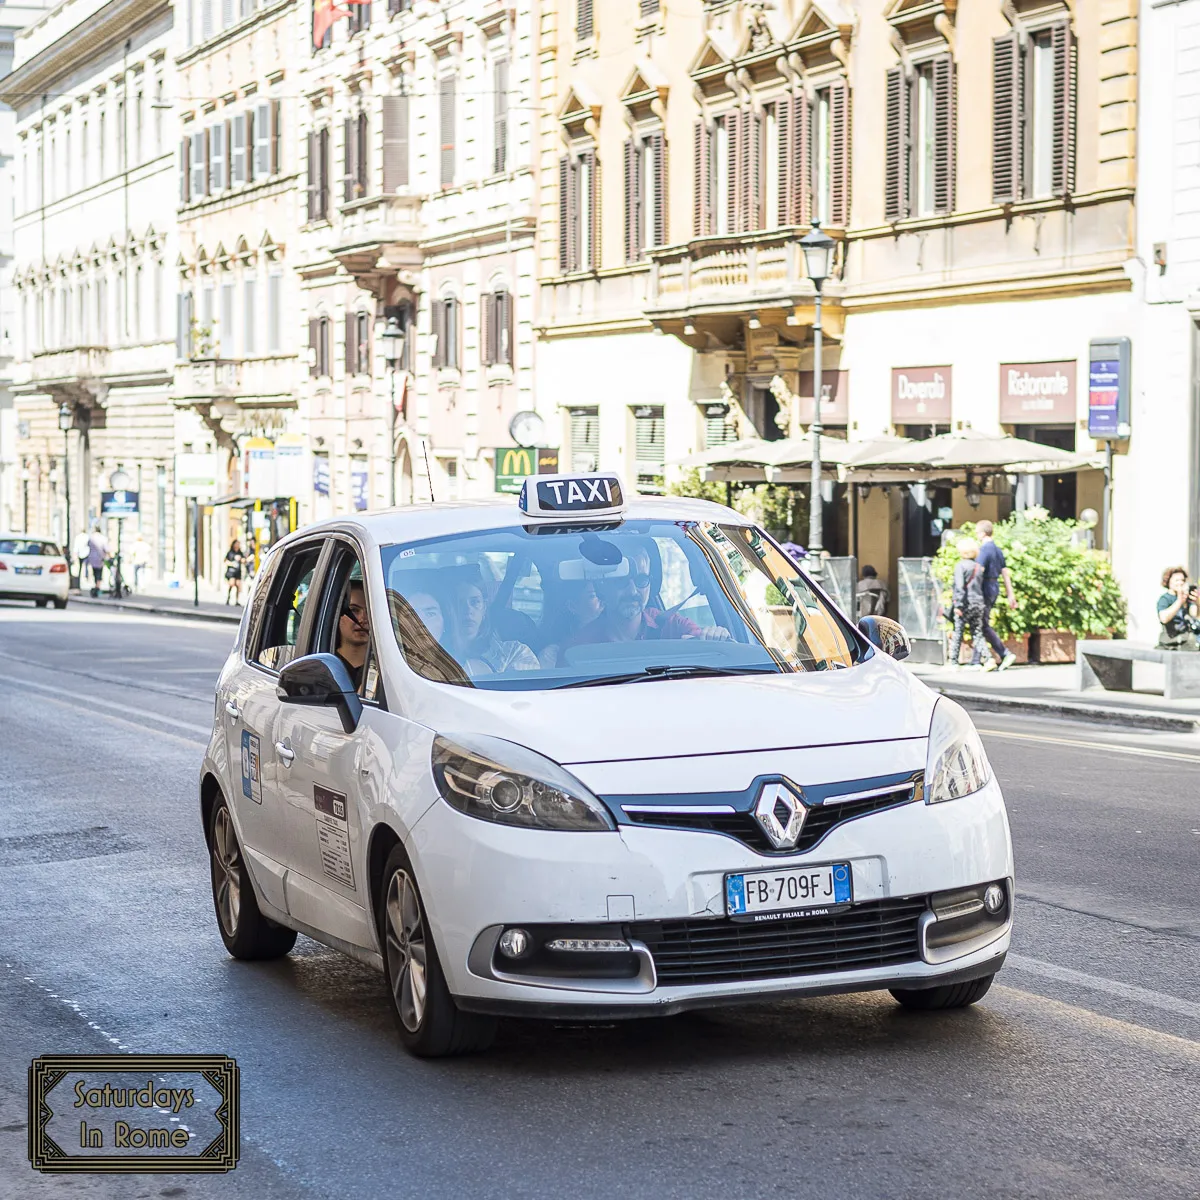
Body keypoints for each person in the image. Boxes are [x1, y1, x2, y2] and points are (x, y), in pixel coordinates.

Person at [573, 547, 731, 645]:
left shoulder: (672, 625)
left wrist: (715, 637)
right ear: (603, 588)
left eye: (641, 580)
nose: (633, 591)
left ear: (651, 584)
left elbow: (703, 641)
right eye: (621, 581)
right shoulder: (580, 645)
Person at [452, 579, 539, 675]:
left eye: (475, 602)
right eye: (459, 603)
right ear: (449, 610)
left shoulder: (514, 653)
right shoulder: (436, 656)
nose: (468, 610)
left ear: (484, 608)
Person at [975, 520, 1017, 671]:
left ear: (983, 533)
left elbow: (978, 571)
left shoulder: (984, 550)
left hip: (985, 586)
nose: (976, 535)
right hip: (995, 586)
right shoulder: (998, 550)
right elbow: (1005, 573)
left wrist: (972, 591)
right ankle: (976, 659)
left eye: (977, 532)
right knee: (980, 622)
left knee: (982, 623)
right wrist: (1010, 594)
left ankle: (1004, 653)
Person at [948, 539, 987, 670]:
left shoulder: (961, 565)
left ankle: (953, 662)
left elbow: (959, 587)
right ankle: (988, 658)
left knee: (958, 631)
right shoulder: (978, 567)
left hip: (965, 604)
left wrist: (958, 605)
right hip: (978, 602)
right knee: (977, 632)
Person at [335, 580, 372, 689]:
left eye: (370, 611)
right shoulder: (324, 667)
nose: (363, 619)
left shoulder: (387, 670)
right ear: (338, 614)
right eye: (354, 610)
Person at [1157, 566, 1200, 651]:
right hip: (1170, 641)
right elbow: (1164, 618)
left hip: (1186, 640)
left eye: (1183, 580)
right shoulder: (1165, 599)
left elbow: (1195, 615)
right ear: (1168, 581)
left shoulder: (1186, 599)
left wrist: (1198, 603)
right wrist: (1179, 601)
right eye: (1177, 580)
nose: (1180, 583)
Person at [85, 526, 108, 598]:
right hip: (100, 558)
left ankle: (96, 585)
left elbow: (88, 545)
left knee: (95, 572)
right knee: (99, 573)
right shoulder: (103, 538)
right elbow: (106, 548)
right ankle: (97, 587)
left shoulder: (91, 538)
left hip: (92, 558)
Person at [224, 539, 246, 605]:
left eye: (238, 544)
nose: (237, 545)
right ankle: (228, 598)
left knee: (238, 585)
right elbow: (225, 561)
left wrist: (242, 560)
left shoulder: (240, 552)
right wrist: (231, 564)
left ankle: (236, 601)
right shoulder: (230, 552)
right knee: (231, 584)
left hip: (238, 571)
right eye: (236, 544)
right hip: (231, 572)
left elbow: (243, 560)